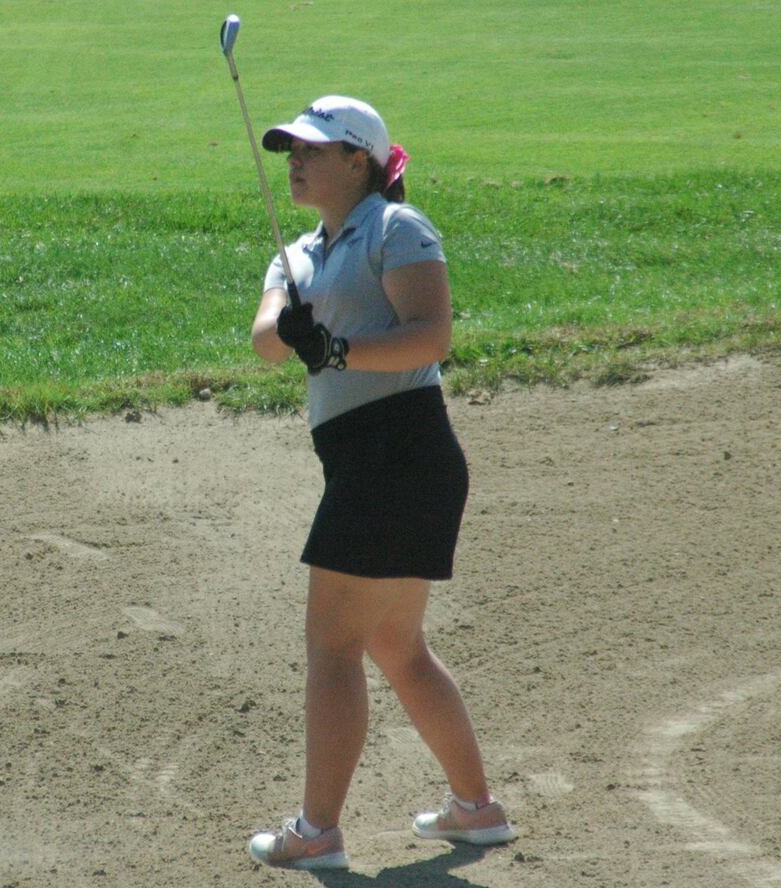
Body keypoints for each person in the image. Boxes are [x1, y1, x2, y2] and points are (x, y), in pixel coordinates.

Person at [244, 96, 517, 870]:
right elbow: (267, 341)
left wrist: (336, 351)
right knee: (397, 644)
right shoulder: (295, 254)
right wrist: (293, 334)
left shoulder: (398, 229)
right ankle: (476, 809)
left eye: (315, 150)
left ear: (358, 160)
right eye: (290, 149)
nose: (295, 160)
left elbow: (430, 335)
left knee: (333, 648)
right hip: (381, 460)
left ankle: (317, 832)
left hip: (398, 447)